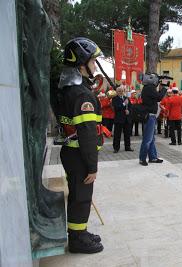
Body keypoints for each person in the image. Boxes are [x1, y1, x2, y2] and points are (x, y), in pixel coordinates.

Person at [57, 37, 104, 253]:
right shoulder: (82, 94)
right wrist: (92, 167)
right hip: (80, 156)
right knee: (81, 198)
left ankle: (80, 232)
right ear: (82, 63)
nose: (95, 65)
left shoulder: (68, 88)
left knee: (78, 195)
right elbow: (87, 135)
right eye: (93, 61)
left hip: (71, 153)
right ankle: (77, 240)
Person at [139, 74, 167, 166]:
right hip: (149, 116)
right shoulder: (149, 88)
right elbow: (159, 97)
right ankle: (142, 158)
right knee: (147, 139)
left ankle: (153, 157)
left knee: (151, 139)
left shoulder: (148, 87)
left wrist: (161, 87)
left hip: (151, 116)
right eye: (157, 80)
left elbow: (156, 97)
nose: (157, 82)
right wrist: (164, 87)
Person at [112, 85, 133, 153]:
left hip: (126, 119)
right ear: (116, 92)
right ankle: (116, 148)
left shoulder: (126, 98)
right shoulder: (114, 99)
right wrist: (124, 104)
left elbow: (130, 106)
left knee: (127, 134)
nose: (121, 92)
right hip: (119, 119)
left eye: (122, 91)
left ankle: (127, 147)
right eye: (119, 91)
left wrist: (129, 111)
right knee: (117, 134)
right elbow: (117, 108)